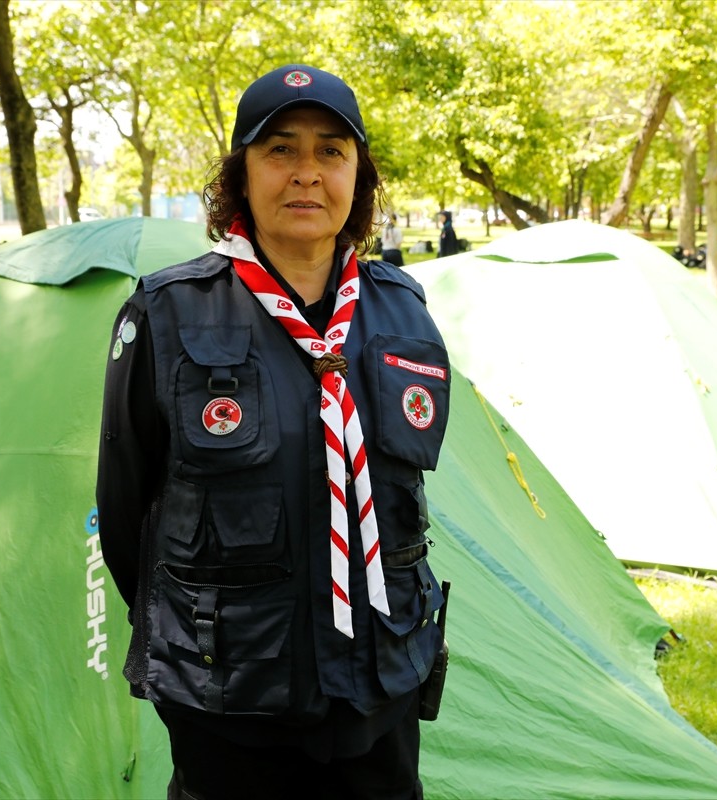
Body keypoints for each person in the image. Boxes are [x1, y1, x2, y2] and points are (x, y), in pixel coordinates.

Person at [97, 64, 451, 800]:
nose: (306, 175)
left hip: (381, 685)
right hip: (232, 695)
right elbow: (128, 512)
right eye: (280, 150)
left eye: (331, 152)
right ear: (241, 176)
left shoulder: (403, 311)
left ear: (359, 175)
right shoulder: (168, 313)